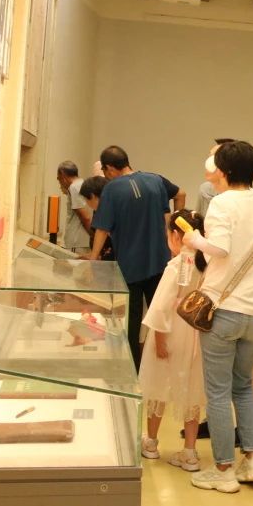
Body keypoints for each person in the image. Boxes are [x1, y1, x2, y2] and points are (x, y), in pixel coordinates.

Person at [183, 140, 253, 493]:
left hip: (224, 311)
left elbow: (220, 248)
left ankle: (223, 469)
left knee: (217, 391)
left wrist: (194, 239)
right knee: (243, 386)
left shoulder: (221, 203)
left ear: (224, 171)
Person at [88, 146, 173, 369]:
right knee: (160, 315)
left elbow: (102, 228)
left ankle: (133, 369)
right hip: (158, 261)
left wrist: (93, 258)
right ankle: (163, 364)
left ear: (108, 168)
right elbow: (167, 215)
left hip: (130, 266)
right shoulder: (155, 181)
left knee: (132, 322)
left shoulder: (112, 189)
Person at [139, 210, 207, 472]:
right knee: (192, 389)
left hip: (171, 329)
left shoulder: (176, 266)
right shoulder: (206, 262)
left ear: (177, 235)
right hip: (196, 331)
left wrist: (158, 340)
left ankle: (151, 442)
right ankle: (189, 452)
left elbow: (160, 307)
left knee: (158, 384)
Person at [56, 161, 91, 252]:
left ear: (63, 175)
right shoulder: (83, 183)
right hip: (83, 241)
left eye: (58, 179)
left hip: (76, 241)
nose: (60, 183)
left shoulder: (74, 187)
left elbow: (85, 217)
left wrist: (93, 237)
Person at [196, 137, 235, 217]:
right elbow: (200, 219)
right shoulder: (205, 189)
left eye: (213, 159)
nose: (208, 163)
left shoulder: (248, 196)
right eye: (209, 157)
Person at [78, 176, 113, 260]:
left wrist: (94, 258)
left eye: (86, 199)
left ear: (92, 196)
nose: (86, 203)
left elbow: (103, 231)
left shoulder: (109, 210)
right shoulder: (103, 209)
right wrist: (95, 255)